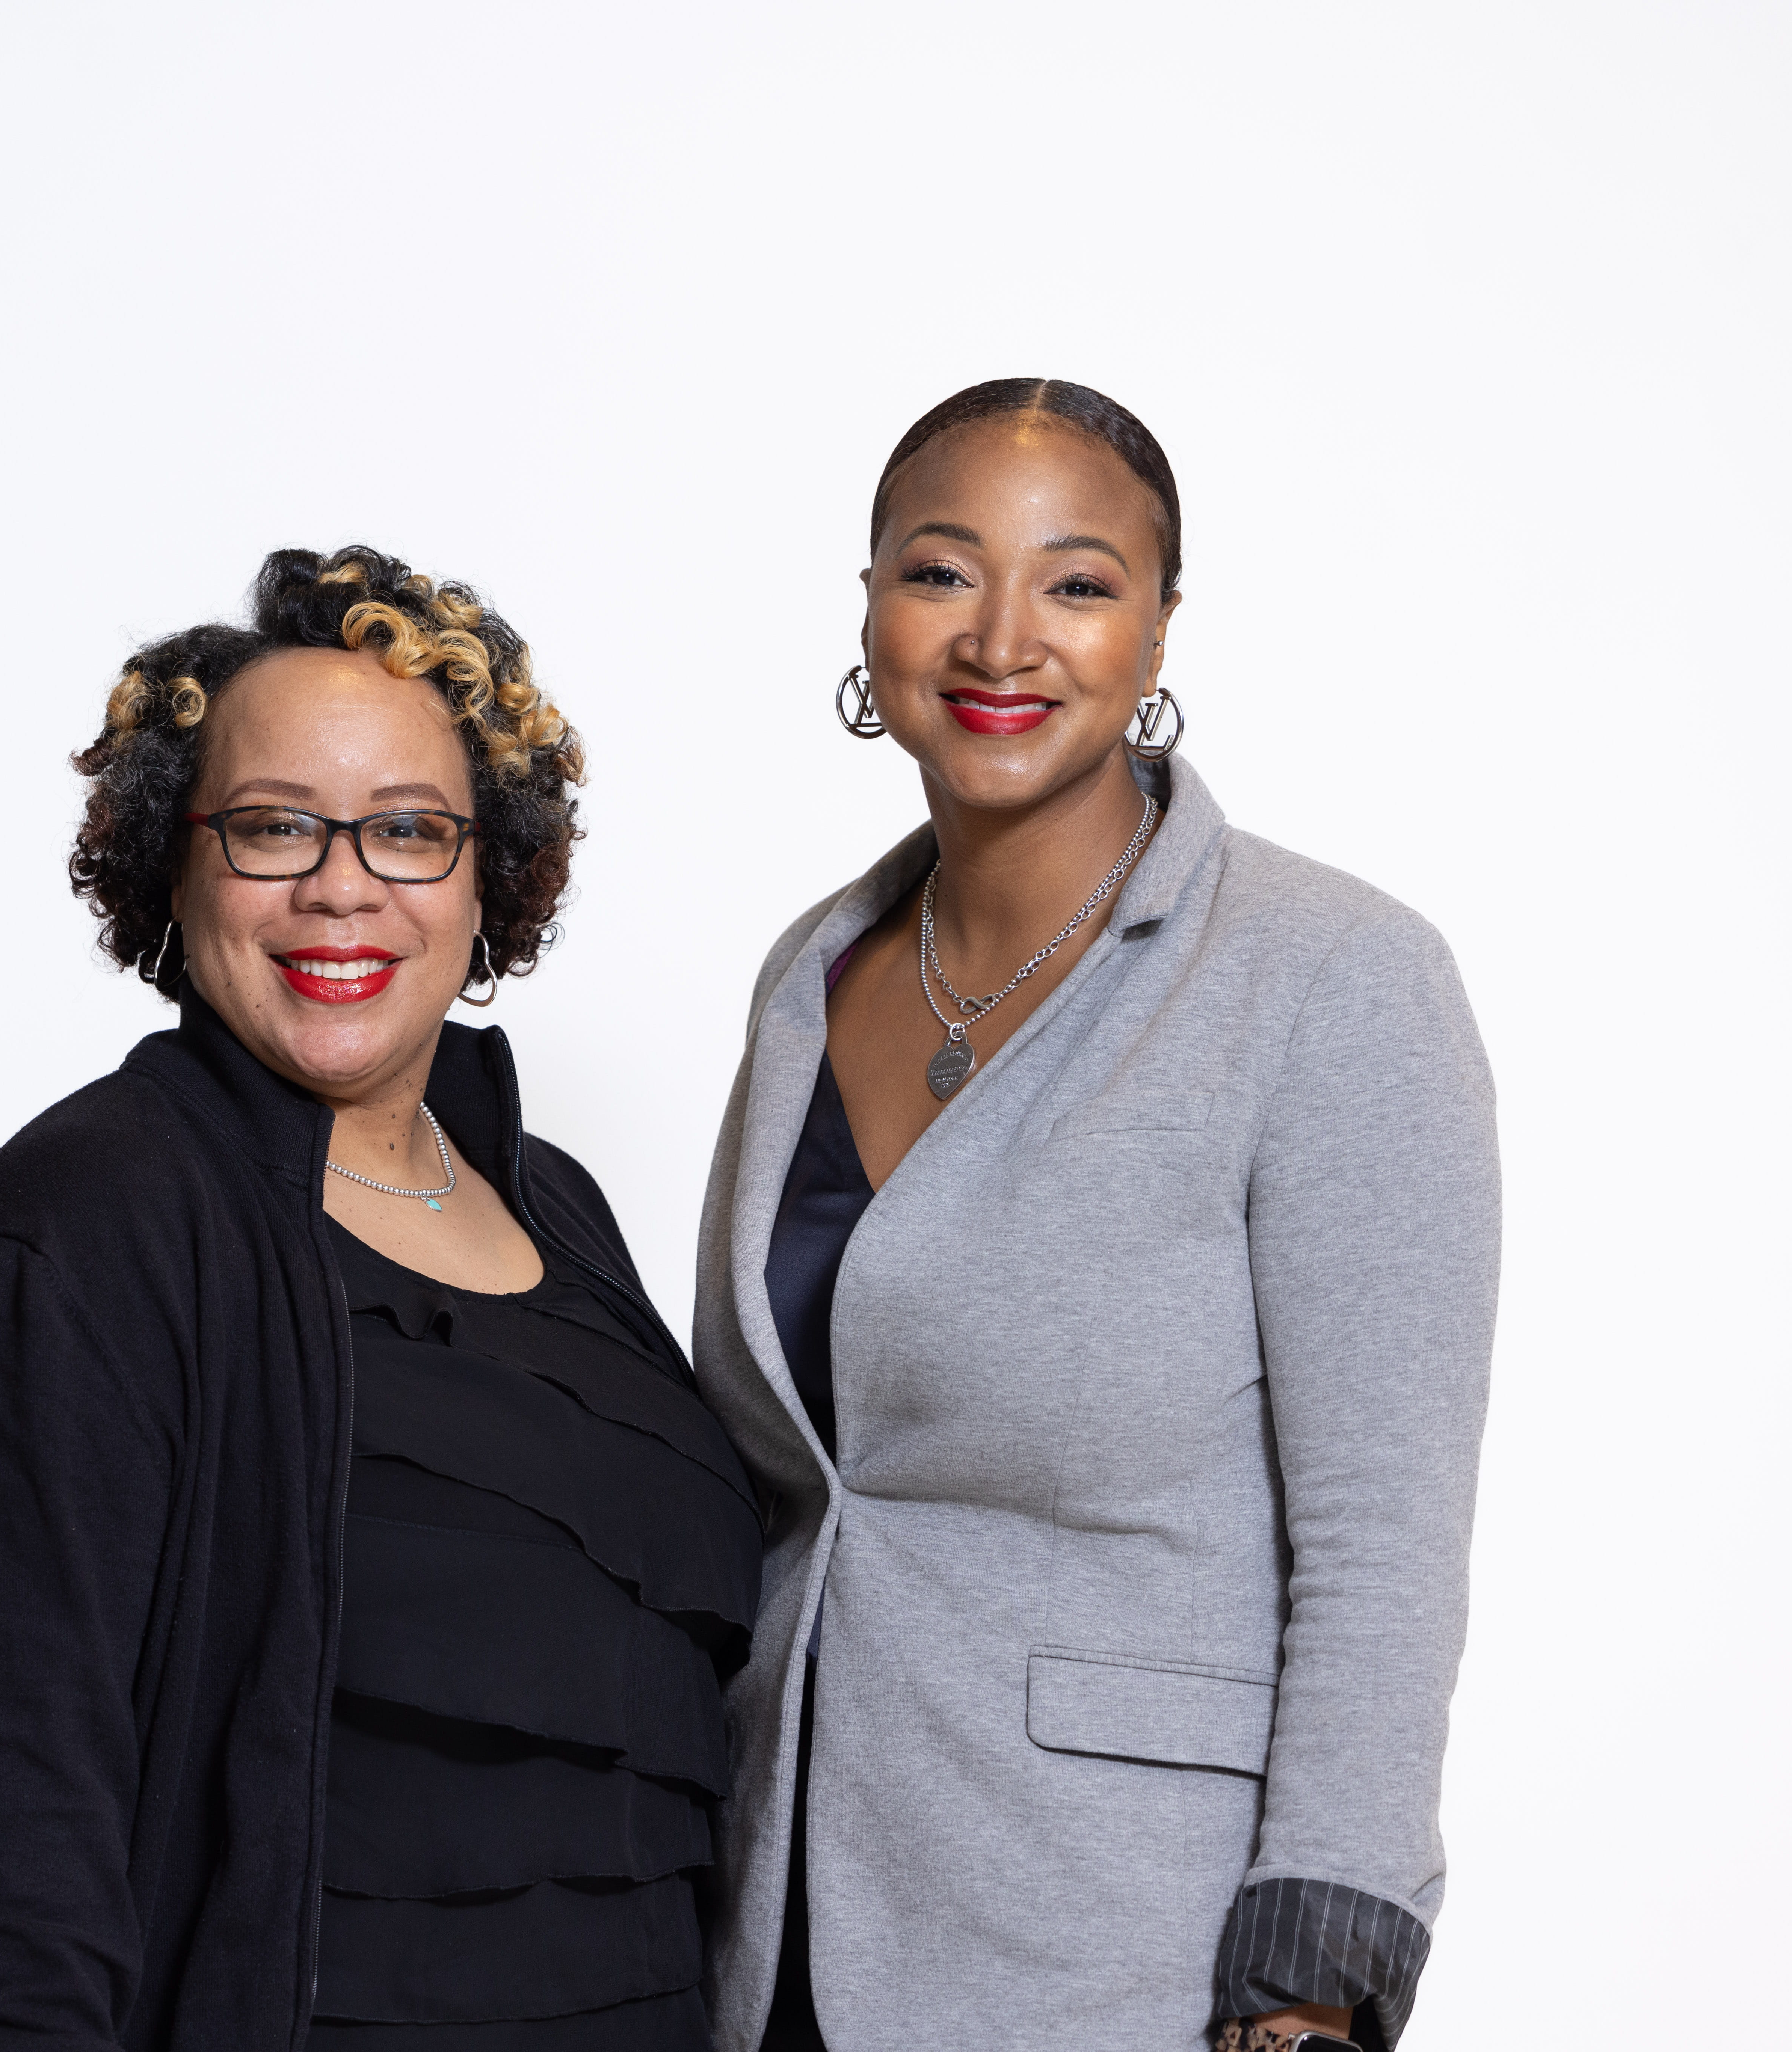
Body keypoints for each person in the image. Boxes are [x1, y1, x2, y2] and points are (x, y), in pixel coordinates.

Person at [694, 380, 1499, 2052]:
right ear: (867, 605)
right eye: (938, 572)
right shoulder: (809, 972)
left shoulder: (1328, 979)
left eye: (1074, 582)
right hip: (771, 1915)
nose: (1001, 638)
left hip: (1120, 1941)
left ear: (1156, 630)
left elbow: (1380, 1544)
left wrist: (1312, 1976)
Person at [0, 546, 760, 2051]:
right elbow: (7, 1807)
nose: (341, 883)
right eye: (274, 825)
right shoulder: (91, 1223)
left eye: (409, 830)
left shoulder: (553, 1204)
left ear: (490, 870)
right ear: (174, 860)